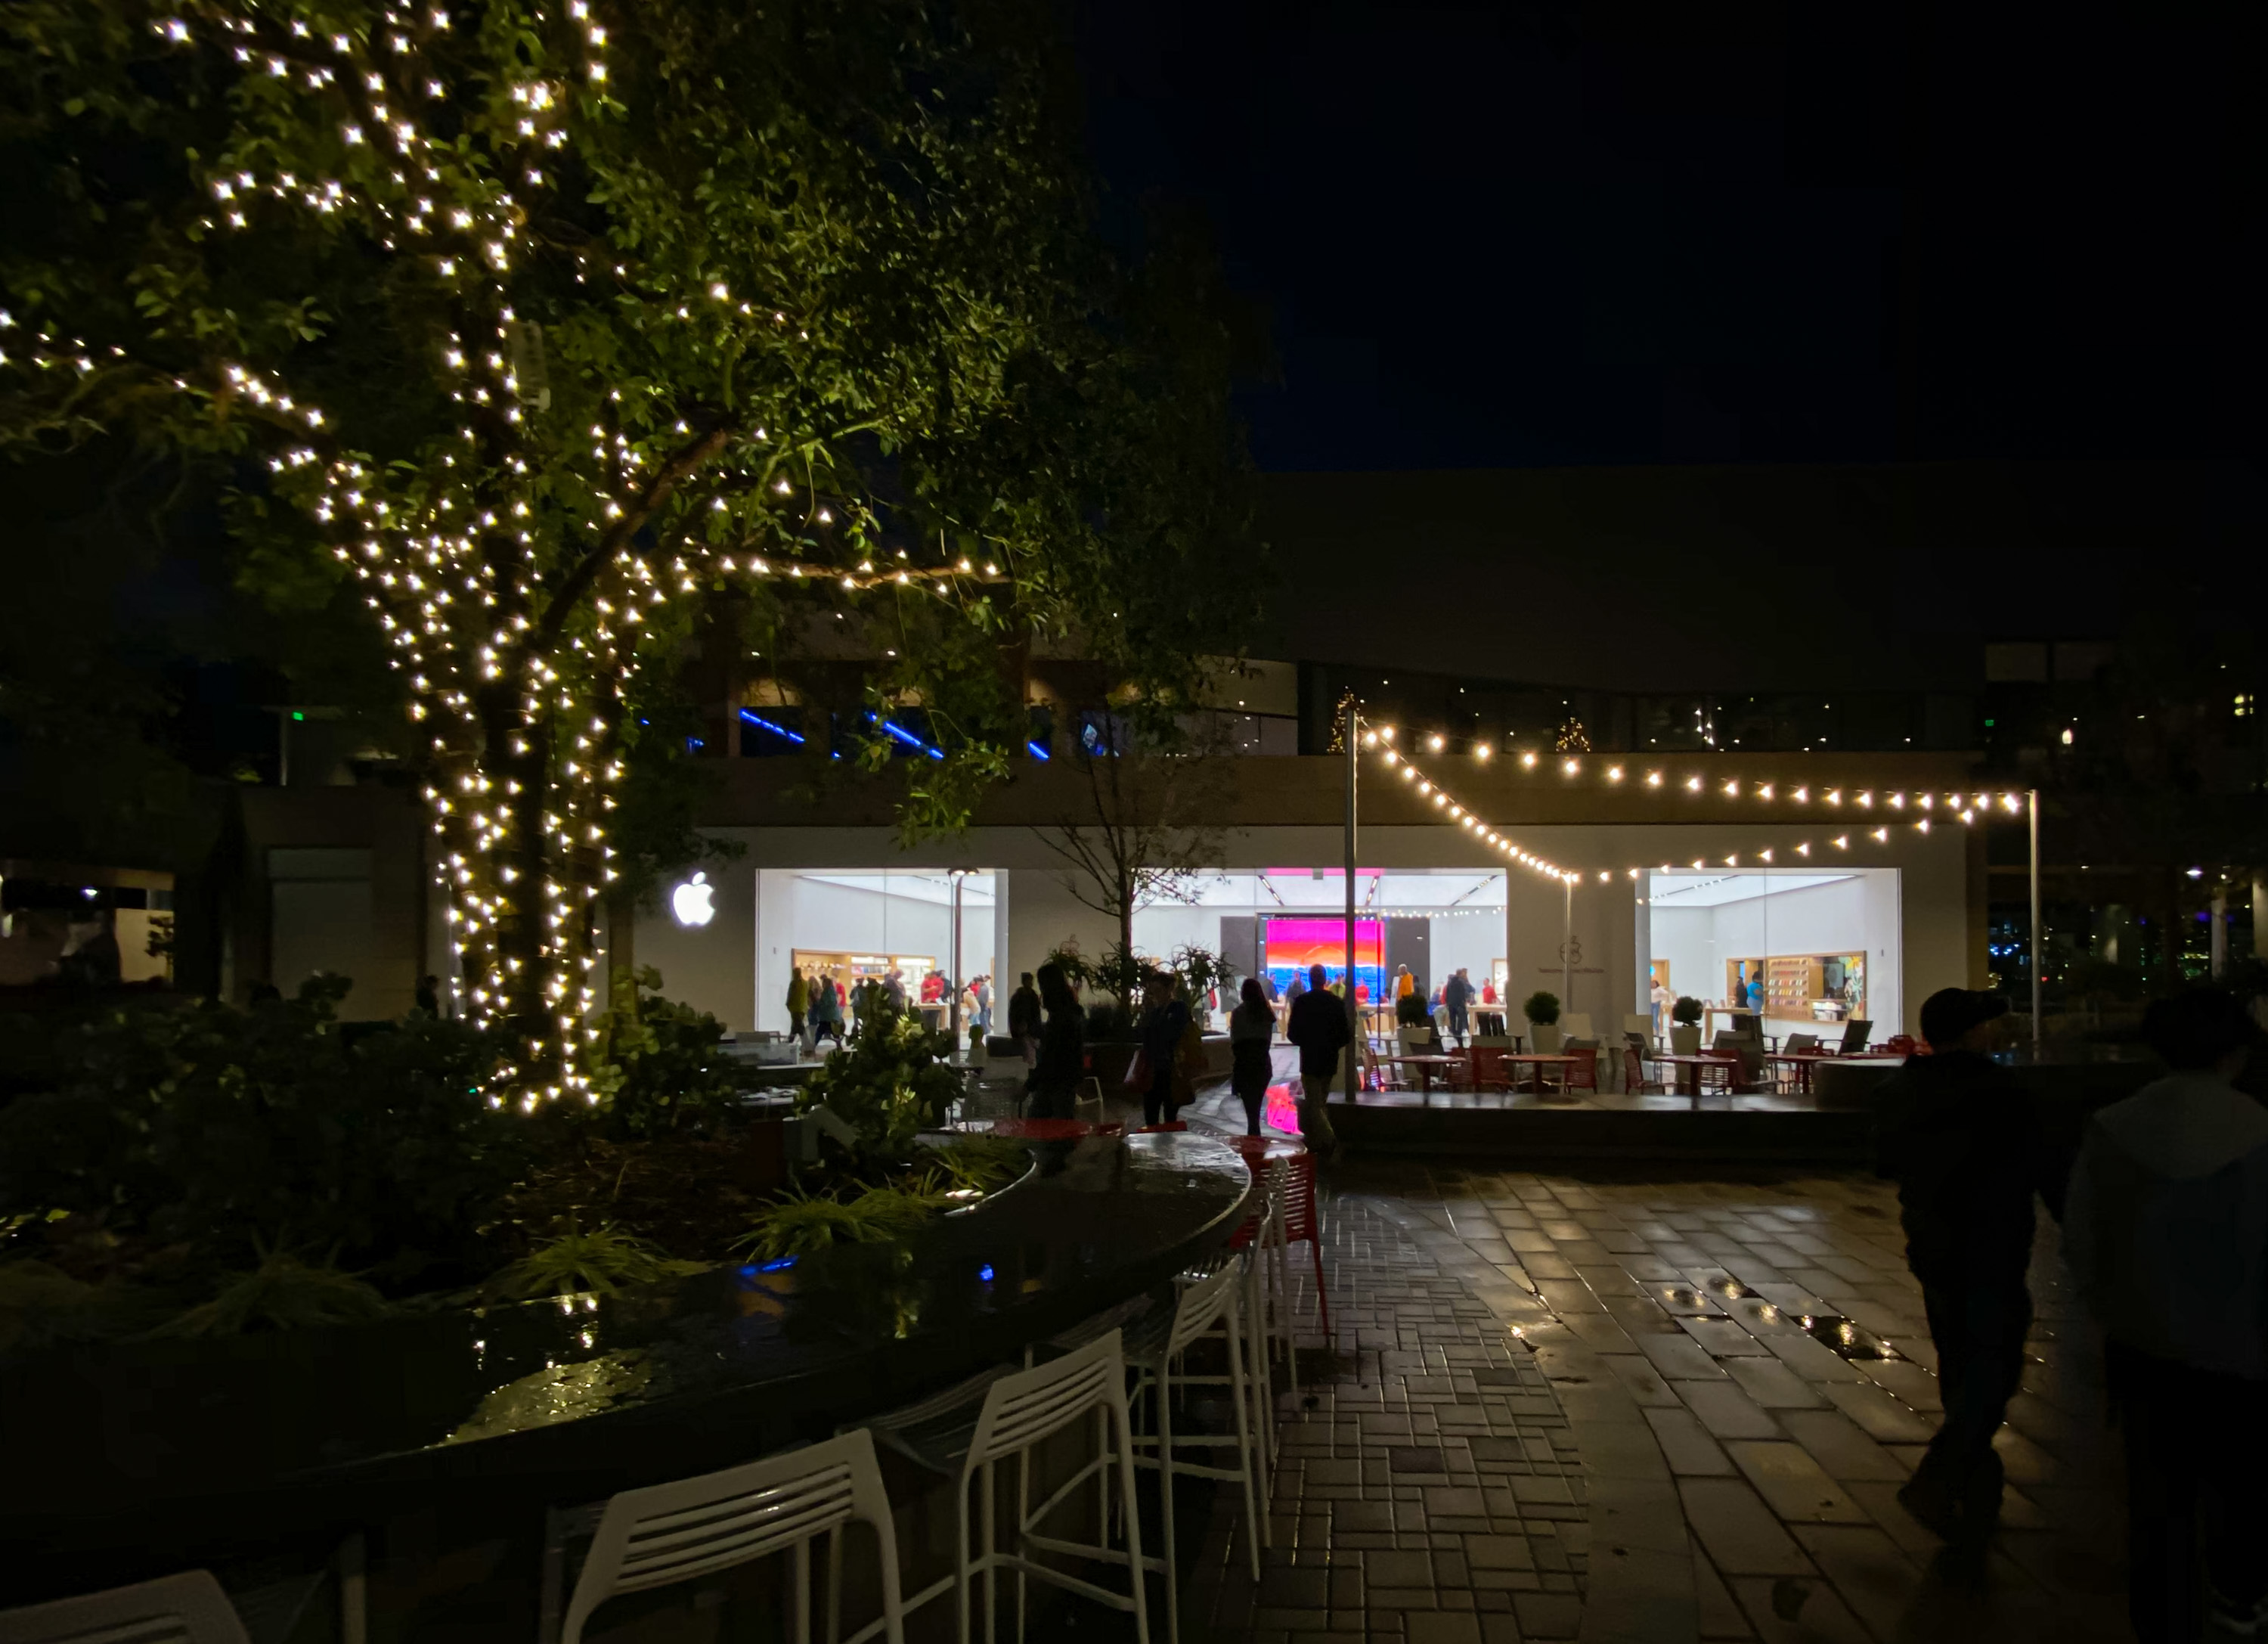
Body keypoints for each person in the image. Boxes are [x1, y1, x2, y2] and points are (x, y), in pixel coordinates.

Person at [2063, 987, 2268, 1642]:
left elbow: (2082, 1238)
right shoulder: (2259, 1129)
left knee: (2156, 1493)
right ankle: (2239, 1594)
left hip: (2144, 1339)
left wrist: (2110, 1309)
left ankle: (2163, 1614)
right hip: (2245, 1343)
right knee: (2243, 1481)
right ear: (2237, 1053)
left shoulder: (2114, 1128)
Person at [1872, 987, 2059, 1561]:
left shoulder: (1901, 1090)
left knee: (1958, 1355)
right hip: (1995, 1241)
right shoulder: (2004, 1092)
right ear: (1976, 1032)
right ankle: (1945, 1473)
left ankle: (1976, 1482)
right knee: (1996, 1362)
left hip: (1931, 1241)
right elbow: (2046, 1164)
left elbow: (1882, 1161)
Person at [1285, 962, 1346, 1154]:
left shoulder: (1302, 1002)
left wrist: (1306, 1042)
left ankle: (1328, 1139)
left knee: (1313, 1103)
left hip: (1310, 1059)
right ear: (1324, 980)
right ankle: (1321, 1143)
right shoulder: (1336, 1003)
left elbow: (1292, 1033)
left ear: (1310, 980)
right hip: (1329, 1060)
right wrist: (1333, 1045)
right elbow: (1345, 1034)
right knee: (1321, 1102)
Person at [1027, 961, 1084, 1119]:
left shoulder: (1059, 1017)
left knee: (1040, 1120)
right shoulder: (1071, 1012)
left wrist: (1030, 1085)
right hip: (1066, 1080)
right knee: (1061, 1122)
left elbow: (1050, 1055)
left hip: (1054, 1082)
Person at [1137, 974, 1192, 1128]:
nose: (1156, 994)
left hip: (1171, 1068)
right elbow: (1146, 1037)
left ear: (1169, 989)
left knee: (1170, 1113)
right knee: (1151, 1112)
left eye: (1159, 990)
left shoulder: (1178, 1008)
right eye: (1153, 991)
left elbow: (1173, 1034)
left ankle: (1168, 1139)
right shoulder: (1155, 1012)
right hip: (1154, 1068)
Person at [1229, 976, 1275, 1136]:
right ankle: (1255, 1134)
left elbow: (1235, 1040)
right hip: (1262, 1063)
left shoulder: (1238, 1013)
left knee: (1250, 1108)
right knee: (1256, 1103)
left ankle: (1253, 1136)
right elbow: (1267, 1039)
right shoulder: (1266, 1013)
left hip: (1244, 1063)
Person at [1008, 971, 1043, 1065]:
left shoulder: (1031, 996)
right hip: (1023, 1030)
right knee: (1028, 1052)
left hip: (1031, 1029)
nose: (1030, 983)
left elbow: (1036, 1014)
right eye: (1028, 981)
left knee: (1030, 1051)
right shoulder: (1020, 997)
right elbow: (1014, 1015)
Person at [810, 972, 844, 1047]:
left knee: (820, 1032)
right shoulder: (833, 991)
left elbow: (823, 1003)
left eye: (823, 983)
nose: (822, 984)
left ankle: (813, 1046)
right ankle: (839, 1046)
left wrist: (815, 1000)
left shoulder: (826, 992)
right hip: (833, 1016)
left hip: (827, 1017)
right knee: (835, 1032)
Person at [1443, 966, 1473, 1047]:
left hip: (1451, 1005)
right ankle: (1460, 1036)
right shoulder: (1461, 982)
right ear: (1461, 974)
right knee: (1461, 1021)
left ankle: (1456, 1035)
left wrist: (1448, 1003)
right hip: (1460, 1004)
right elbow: (1463, 993)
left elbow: (1447, 994)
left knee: (1453, 1022)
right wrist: (1464, 1001)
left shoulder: (1450, 983)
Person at [785, 968, 808, 1041]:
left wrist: (788, 1004)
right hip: (803, 1008)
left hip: (795, 1007)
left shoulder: (794, 983)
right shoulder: (805, 983)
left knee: (799, 1026)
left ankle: (806, 1042)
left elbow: (791, 995)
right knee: (796, 1025)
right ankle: (791, 1039)